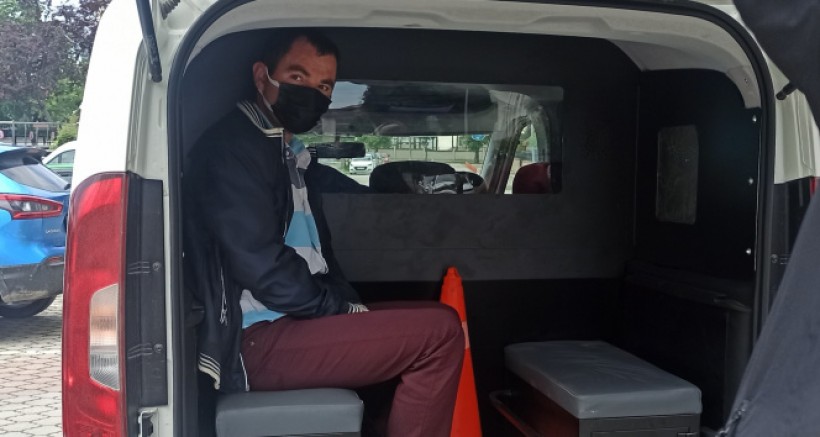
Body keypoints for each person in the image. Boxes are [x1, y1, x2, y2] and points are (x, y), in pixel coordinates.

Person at [183, 29, 465, 437]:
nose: (311, 94)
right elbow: (260, 264)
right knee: (439, 335)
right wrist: (336, 308)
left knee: (439, 317)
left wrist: (346, 304)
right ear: (262, 77)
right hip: (255, 340)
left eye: (324, 86)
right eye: (297, 77)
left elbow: (320, 253)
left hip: (292, 323)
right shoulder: (233, 149)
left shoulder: (288, 155)